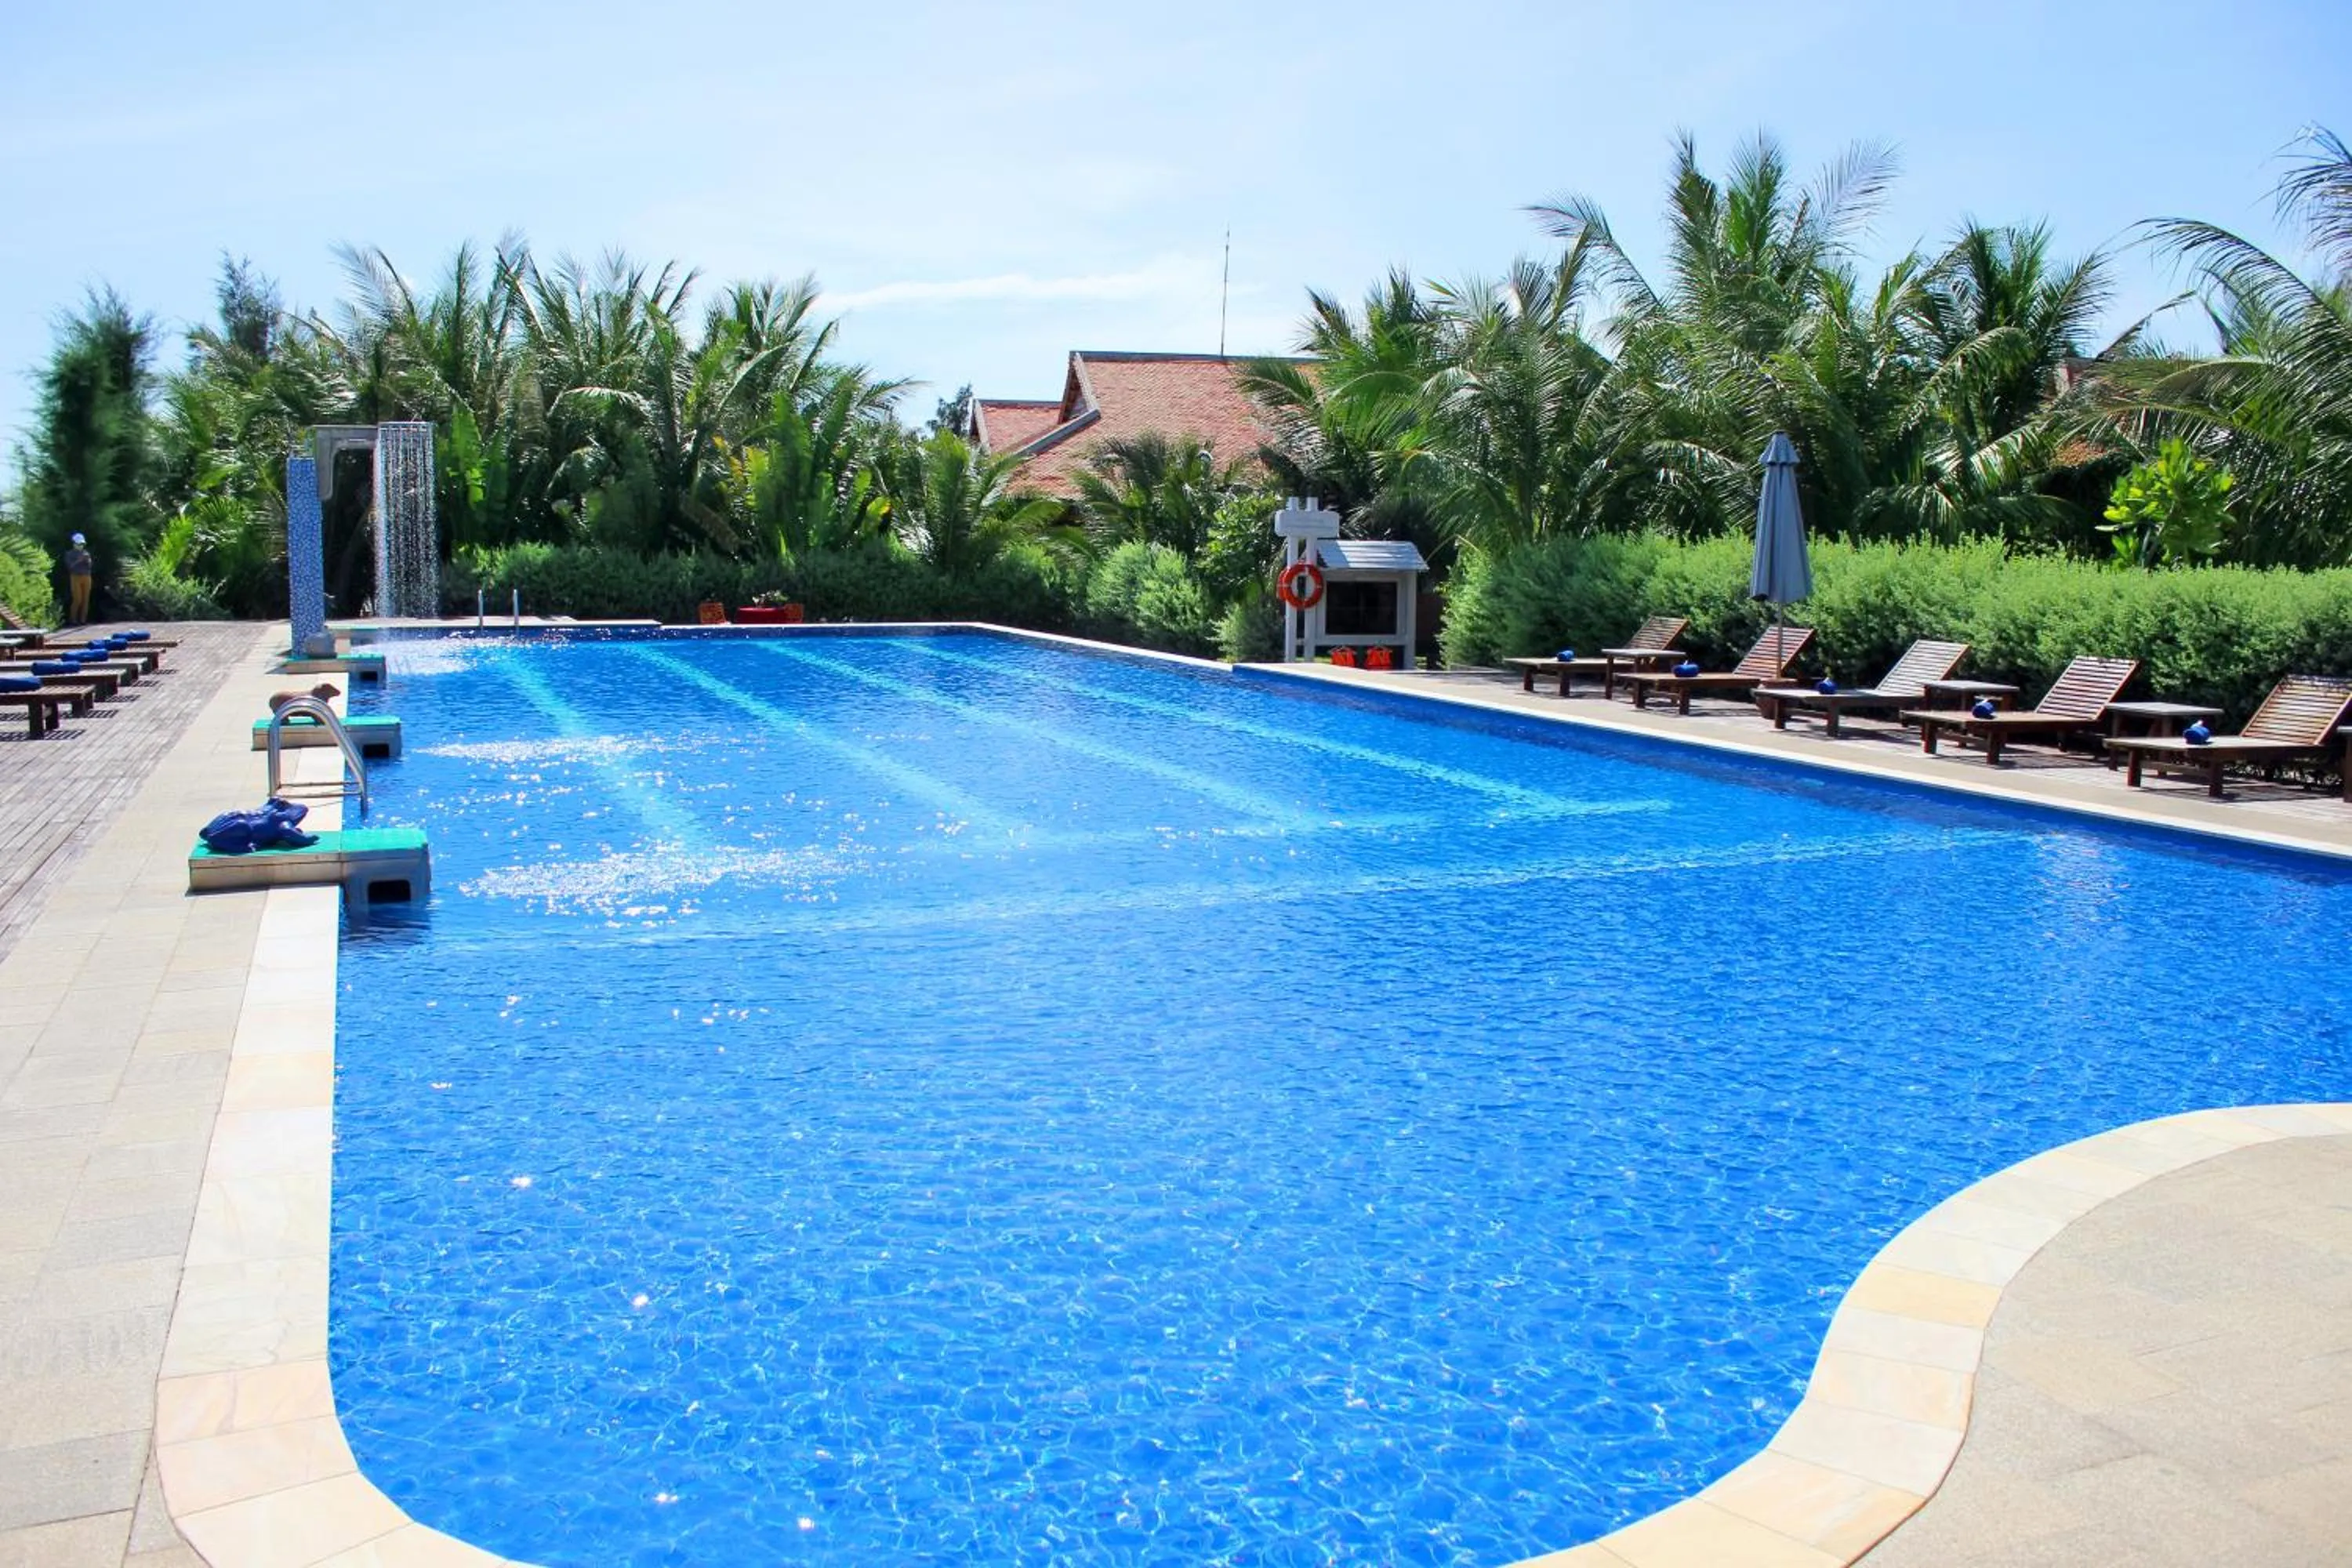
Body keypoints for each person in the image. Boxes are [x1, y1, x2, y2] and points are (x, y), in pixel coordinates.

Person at [64, 533, 93, 625]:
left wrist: (88, 560)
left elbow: (90, 566)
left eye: (82, 544)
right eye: (79, 544)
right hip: (75, 577)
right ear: (74, 544)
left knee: (86, 599)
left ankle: (83, 620)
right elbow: (70, 567)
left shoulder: (86, 553)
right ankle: (73, 619)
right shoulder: (69, 554)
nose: (81, 546)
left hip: (87, 576)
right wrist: (79, 560)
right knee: (77, 599)